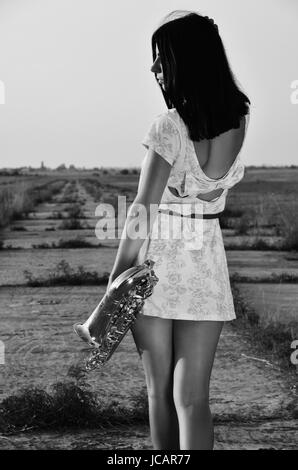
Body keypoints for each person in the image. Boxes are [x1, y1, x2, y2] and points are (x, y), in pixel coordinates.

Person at [107, 10, 251, 450]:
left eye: (161, 58)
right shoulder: (239, 117)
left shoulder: (168, 126)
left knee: (159, 392)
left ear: (184, 60)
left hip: (157, 260)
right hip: (206, 261)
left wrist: (116, 278)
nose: (155, 68)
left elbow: (141, 212)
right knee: (193, 398)